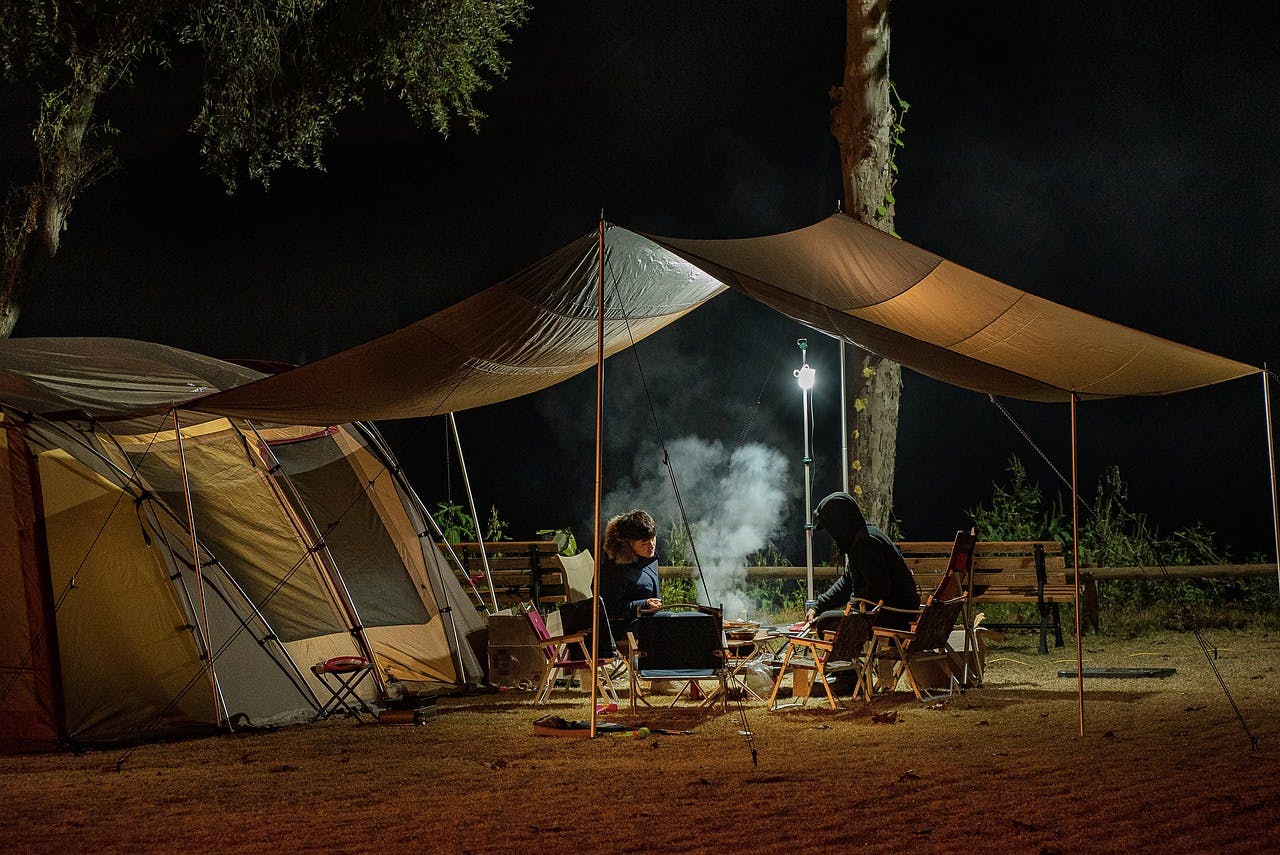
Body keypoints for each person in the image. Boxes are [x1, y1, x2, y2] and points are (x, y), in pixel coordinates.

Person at [804, 491, 920, 633]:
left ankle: (847, 652)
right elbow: (846, 582)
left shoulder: (866, 543)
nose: (832, 535)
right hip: (886, 610)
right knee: (826, 617)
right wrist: (817, 607)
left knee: (825, 623)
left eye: (831, 528)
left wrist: (851, 608)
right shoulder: (860, 538)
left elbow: (878, 589)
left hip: (895, 614)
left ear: (839, 524)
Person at [598, 509, 662, 640]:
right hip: (623, 629)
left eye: (653, 540)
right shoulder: (614, 569)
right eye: (645, 543)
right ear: (628, 543)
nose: (652, 547)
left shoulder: (645, 556)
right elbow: (607, 608)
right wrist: (643, 604)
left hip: (647, 621)